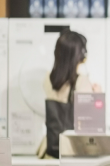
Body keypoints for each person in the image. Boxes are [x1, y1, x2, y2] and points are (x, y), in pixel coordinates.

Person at [38, 30, 101, 158]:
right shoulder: (81, 81)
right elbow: (91, 121)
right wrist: (97, 95)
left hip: (49, 147)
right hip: (71, 148)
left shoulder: (47, 78)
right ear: (80, 56)